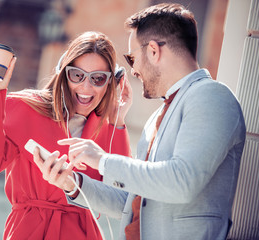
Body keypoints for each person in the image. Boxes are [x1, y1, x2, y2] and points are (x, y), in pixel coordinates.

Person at [33, 3, 246, 240]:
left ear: (153, 51)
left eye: (132, 57)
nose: (132, 70)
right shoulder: (157, 116)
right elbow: (132, 202)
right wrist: (73, 183)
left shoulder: (212, 96)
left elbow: (182, 182)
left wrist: (102, 160)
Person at [0, 31, 132, 239]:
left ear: (111, 82)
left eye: (98, 78)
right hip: (28, 231)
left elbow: (121, 194)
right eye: (77, 75)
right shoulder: (23, 107)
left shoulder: (107, 127)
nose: (86, 86)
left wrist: (117, 119)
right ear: (63, 73)